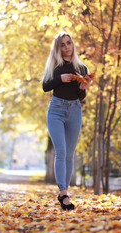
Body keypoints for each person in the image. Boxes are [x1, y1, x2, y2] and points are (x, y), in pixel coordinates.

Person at [41, 31, 92, 210]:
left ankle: (65, 191)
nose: (66, 47)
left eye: (69, 43)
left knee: (70, 154)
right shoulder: (55, 66)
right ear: (58, 48)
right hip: (56, 110)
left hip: (74, 111)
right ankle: (64, 194)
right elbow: (45, 86)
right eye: (62, 45)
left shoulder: (82, 68)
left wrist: (83, 87)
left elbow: (81, 96)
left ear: (73, 44)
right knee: (61, 152)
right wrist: (60, 79)